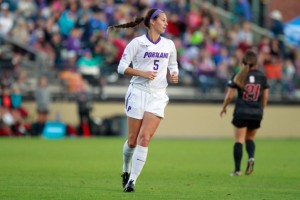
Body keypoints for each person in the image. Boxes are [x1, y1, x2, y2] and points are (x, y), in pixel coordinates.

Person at [108, 8, 179, 192]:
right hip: (138, 92)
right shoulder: (137, 43)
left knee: (144, 138)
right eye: (163, 20)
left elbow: (173, 65)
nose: (166, 23)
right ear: (152, 22)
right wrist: (142, 73)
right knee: (132, 140)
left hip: (157, 95)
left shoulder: (169, 44)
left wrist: (174, 74)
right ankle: (125, 169)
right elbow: (121, 68)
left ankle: (132, 181)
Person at [220, 50, 269, 176]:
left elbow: (229, 96)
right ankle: (251, 158)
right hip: (256, 112)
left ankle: (237, 170)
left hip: (242, 111)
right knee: (250, 138)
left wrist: (224, 107)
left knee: (239, 140)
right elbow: (265, 97)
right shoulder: (262, 76)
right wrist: (261, 109)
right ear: (256, 63)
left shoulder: (238, 75)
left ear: (243, 62)